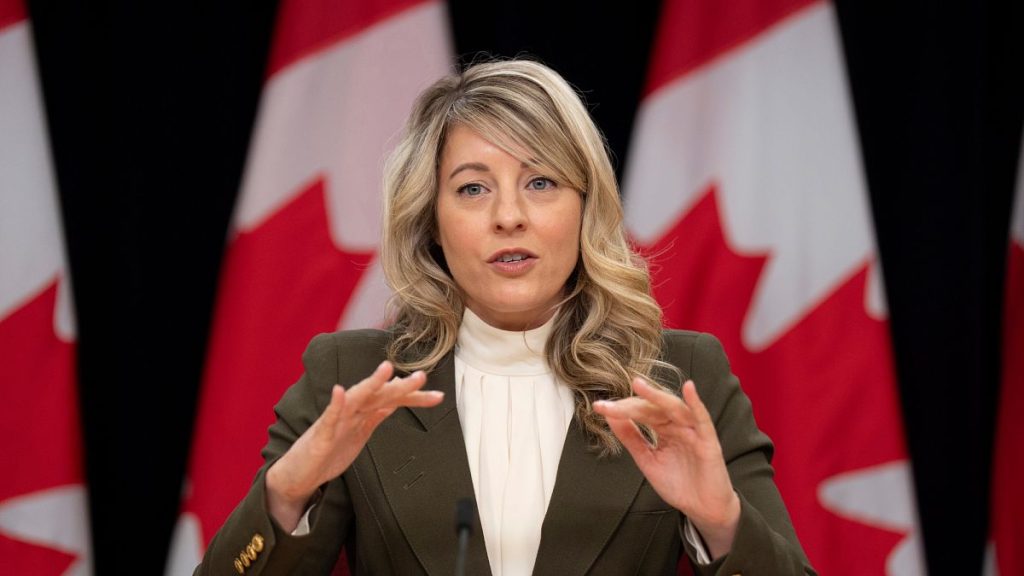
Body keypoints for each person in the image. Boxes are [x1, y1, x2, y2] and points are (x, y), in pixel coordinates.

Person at [196, 59, 815, 576]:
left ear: (585, 208)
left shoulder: (676, 376)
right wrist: (286, 496)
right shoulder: (356, 376)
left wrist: (720, 521)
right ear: (432, 221)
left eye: (541, 182)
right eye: (472, 188)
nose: (509, 216)